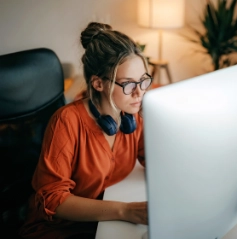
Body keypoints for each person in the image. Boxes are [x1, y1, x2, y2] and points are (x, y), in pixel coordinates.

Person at [19, 22, 152, 239]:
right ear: (98, 83)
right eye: (128, 84)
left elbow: (157, 160)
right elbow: (53, 200)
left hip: (103, 223)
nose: (139, 93)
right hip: (59, 229)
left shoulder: (131, 114)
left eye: (143, 81)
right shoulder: (66, 122)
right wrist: (125, 210)